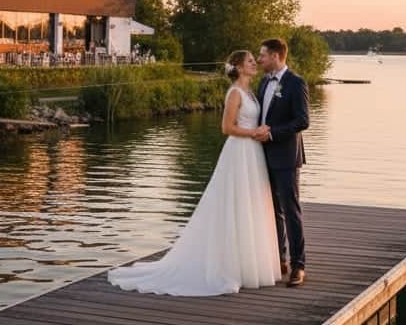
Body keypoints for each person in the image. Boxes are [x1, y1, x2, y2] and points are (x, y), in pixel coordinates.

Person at [107, 50, 280, 296]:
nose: (255, 64)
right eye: (250, 61)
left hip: (253, 154)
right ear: (239, 68)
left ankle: (248, 265)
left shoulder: (251, 91)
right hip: (240, 151)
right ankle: (229, 267)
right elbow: (226, 127)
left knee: (248, 205)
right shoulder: (234, 93)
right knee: (234, 203)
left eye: (255, 60)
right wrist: (254, 133)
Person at [253, 36, 309, 287]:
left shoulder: (296, 83)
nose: (259, 59)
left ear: (276, 56)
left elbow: (302, 121)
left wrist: (272, 132)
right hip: (263, 156)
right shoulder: (264, 82)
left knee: (290, 210)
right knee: (272, 211)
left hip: (286, 156)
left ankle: (299, 265)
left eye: (263, 55)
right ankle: (280, 259)